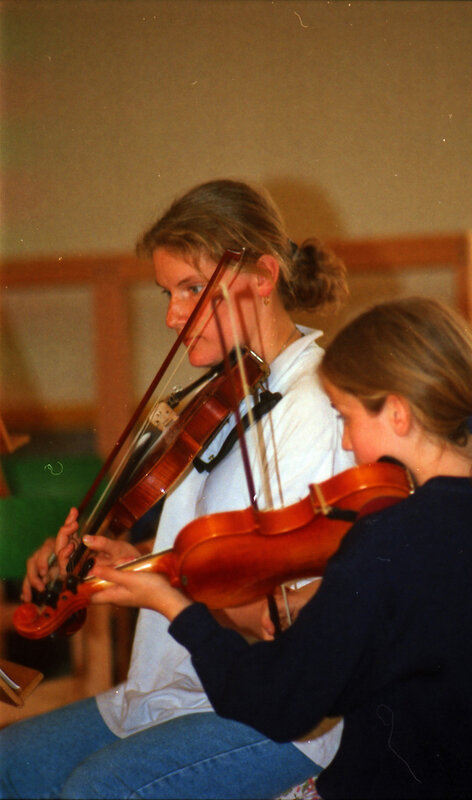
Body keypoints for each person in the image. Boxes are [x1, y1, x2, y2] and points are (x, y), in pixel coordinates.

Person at [80, 297, 472, 799]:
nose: (349, 444)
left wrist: (173, 606)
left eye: (346, 416)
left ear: (397, 414)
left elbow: (279, 703)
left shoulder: (391, 536)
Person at [0, 179, 355, 799]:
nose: (172, 316)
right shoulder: (222, 397)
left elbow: (287, 614)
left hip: (273, 711)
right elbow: (196, 556)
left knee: (96, 790)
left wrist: (155, 583)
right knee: (9, 762)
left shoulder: (316, 407)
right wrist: (130, 563)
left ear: (263, 276)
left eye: (193, 290)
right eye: (168, 293)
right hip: (177, 685)